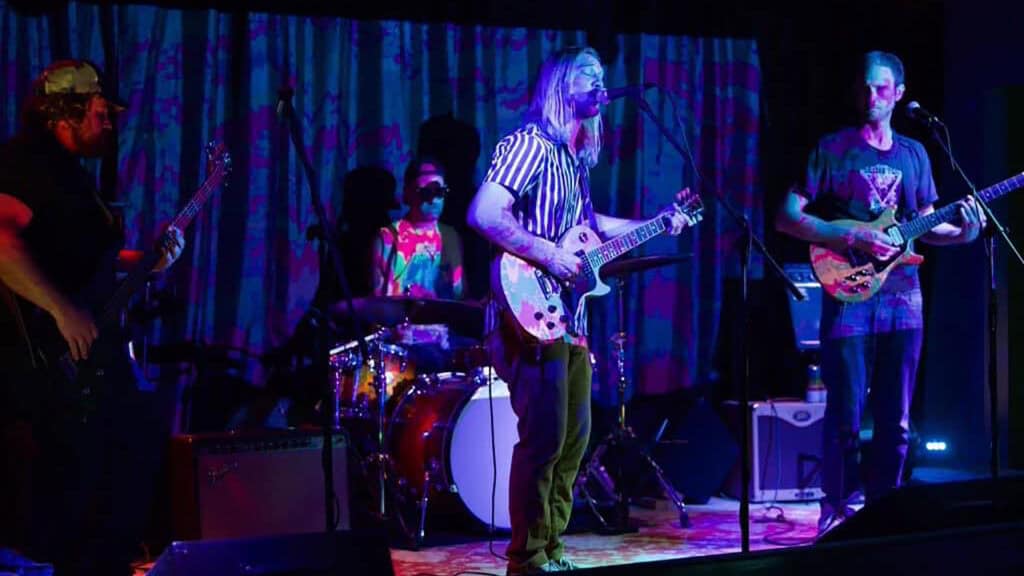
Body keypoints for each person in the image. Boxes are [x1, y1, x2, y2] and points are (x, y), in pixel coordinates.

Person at [467, 46, 695, 574]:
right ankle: (526, 558)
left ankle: (551, 549)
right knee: (545, 437)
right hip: (527, 309)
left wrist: (659, 222)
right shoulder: (531, 145)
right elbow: (484, 212)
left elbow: (591, 229)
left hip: (568, 320)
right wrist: (550, 255)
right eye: (588, 77)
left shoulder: (572, 161)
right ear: (560, 86)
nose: (601, 85)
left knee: (573, 441)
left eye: (603, 77)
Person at [774, 51, 985, 533]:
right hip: (849, 294)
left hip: (903, 300)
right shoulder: (834, 148)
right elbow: (786, 216)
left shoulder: (915, 153)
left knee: (898, 421)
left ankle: (884, 516)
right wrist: (849, 236)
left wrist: (965, 233)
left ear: (900, 94)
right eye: (865, 87)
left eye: (882, 88)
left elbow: (925, 226)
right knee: (845, 415)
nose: (872, 96)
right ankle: (836, 511)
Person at [0, 60, 184, 576]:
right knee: (73, 504)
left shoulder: (70, 176)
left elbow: (85, 262)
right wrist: (62, 311)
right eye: (101, 113)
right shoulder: (28, 163)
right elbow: (2, 241)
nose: (109, 125)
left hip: (90, 369)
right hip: (53, 372)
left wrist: (150, 260)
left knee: (119, 482)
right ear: (68, 112)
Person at [370, 156, 465, 373]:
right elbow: (381, 304)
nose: (433, 200)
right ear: (408, 194)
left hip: (443, 338)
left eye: (439, 192)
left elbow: (457, 296)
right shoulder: (388, 237)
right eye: (426, 192)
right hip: (404, 340)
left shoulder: (450, 237)